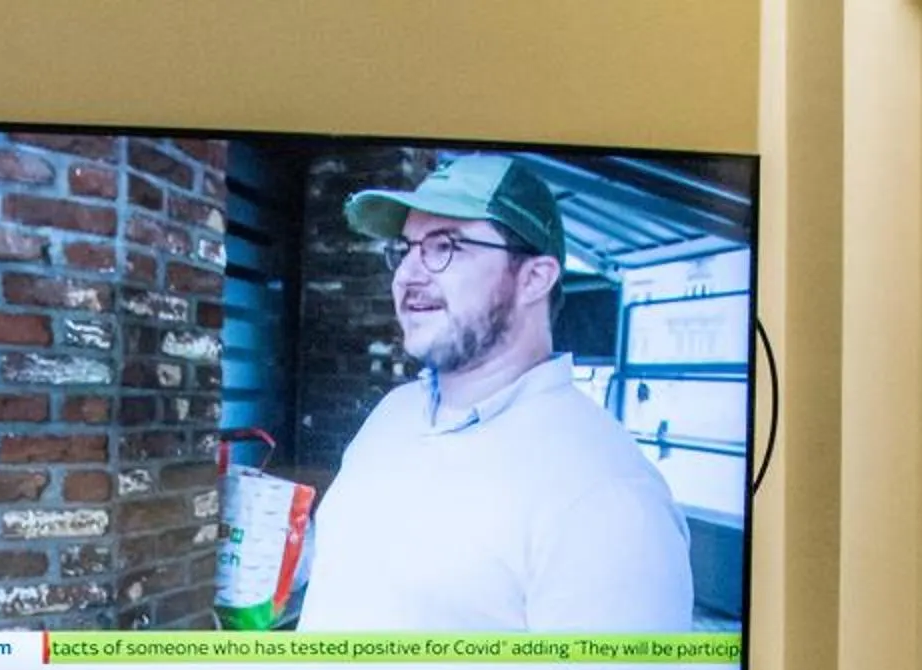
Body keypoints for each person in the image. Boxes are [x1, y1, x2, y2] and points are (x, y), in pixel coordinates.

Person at [295, 155, 698, 634]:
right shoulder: (393, 413)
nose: (406, 275)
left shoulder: (610, 499)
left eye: (444, 247)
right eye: (405, 250)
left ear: (534, 278)